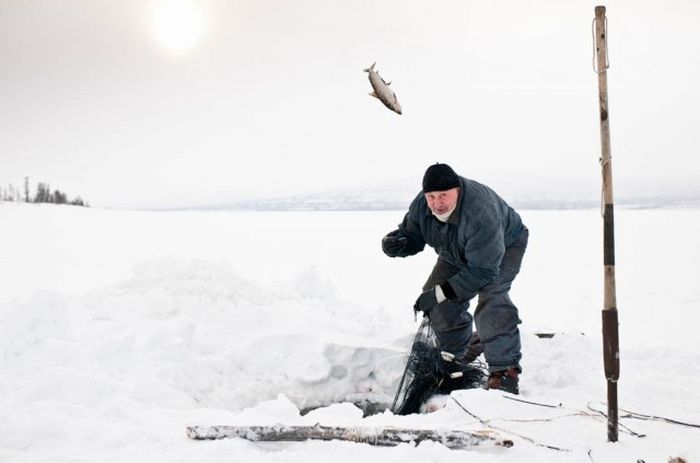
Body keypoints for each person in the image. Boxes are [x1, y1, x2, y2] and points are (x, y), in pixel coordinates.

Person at [381, 163, 528, 394]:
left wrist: (440, 293)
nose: (437, 203)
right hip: (454, 251)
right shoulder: (422, 205)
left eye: (443, 196)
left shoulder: (480, 213)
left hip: (503, 248)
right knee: (438, 300)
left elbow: (483, 272)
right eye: (431, 196)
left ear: (457, 190)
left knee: (492, 296)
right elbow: (413, 235)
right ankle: (454, 355)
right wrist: (397, 244)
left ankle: (504, 371)